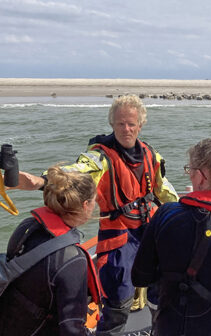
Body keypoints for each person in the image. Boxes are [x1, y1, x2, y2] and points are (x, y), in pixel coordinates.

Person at [13, 95, 178, 335]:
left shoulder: (152, 155)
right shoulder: (100, 157)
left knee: (160, 291)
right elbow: (77, 173)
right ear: (112, 124)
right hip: (119, 237)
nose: (126, 129)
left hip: (150, 232)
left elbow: (163, 189)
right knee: (118, 300)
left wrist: (183, 210)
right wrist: (42, 181)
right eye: (120, 123)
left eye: (131, 124)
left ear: (140, 125)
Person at [132, 138, 211, 336]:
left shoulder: (166, 213)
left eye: (190, 170)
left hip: (168, 326)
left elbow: (140, 276)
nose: (189, 175)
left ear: (201, 176)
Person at [0, 166, 100, 335]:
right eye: (94, 201)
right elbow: (71, 328)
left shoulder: (27, 227)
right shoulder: (72, 260)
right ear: (85, 205)